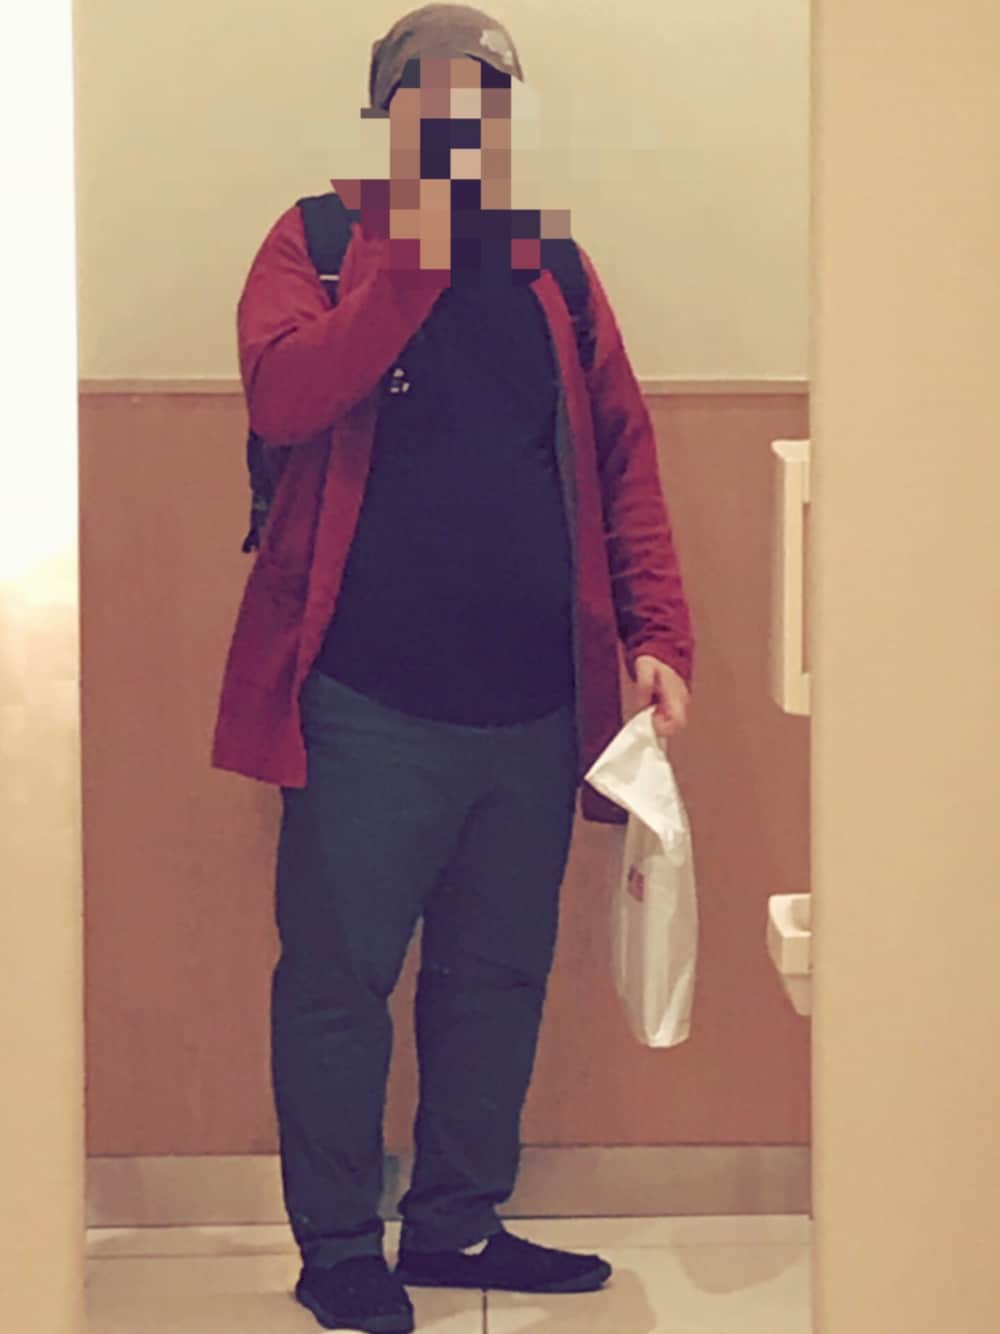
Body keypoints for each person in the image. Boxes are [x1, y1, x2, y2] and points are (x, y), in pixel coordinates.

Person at [212, 5, 695, 1331]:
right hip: (365, 707)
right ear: (386, 117)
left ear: (503, 121)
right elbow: (285, 398)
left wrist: (657, 635)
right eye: (428, 103)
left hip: (535, 707)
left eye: (480, 103)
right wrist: (409, 258)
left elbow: (622, 460)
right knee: (337, 983)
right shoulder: (318, 242)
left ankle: (457, 1223)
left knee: (497, 977)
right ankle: (336, 1247)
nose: (456, 124)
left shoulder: (553, 266)